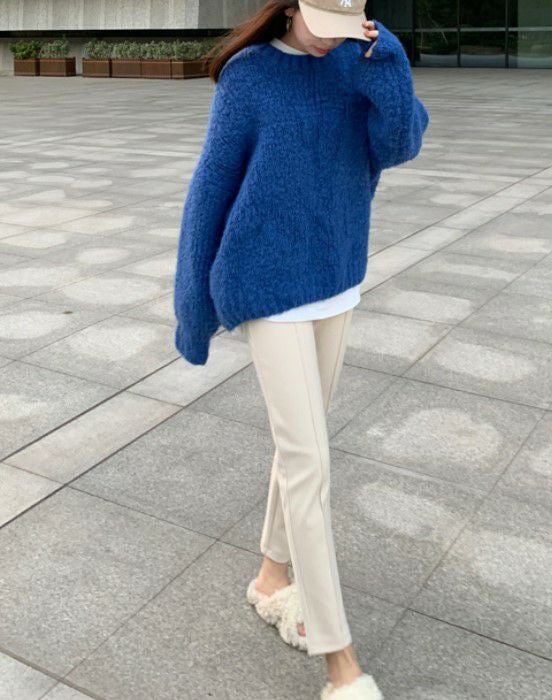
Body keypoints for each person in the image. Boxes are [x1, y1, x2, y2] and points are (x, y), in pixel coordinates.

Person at [172, 1, 429, 697]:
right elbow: (211, 188)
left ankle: (270, 578)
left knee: (300, 451)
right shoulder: (251, 75)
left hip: (335, 278)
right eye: (323, 23)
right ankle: (341, 663)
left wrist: (388, 64)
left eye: (348, 24)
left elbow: (399, 144)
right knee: (310, 463)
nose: (332, 39)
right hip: (265, 283)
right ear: (291, 7)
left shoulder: (360, 64)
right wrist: (192, 307)